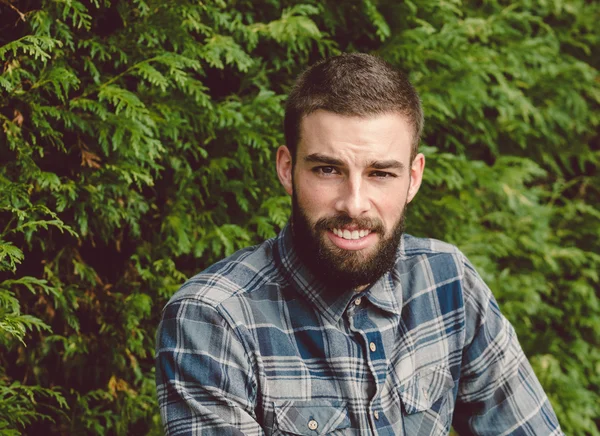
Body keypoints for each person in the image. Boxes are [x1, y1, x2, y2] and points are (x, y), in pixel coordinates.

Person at [155, 53, 563, 435]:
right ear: (286, 168)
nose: (353, 203)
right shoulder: (215, 319)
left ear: (413, 179)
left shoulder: (446, 281)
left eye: (381, 174)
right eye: (327, 169)